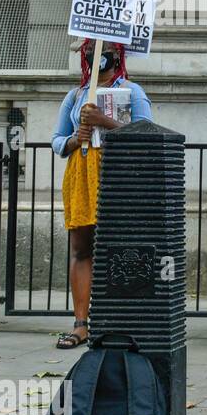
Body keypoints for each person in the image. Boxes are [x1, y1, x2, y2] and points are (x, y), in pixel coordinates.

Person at [51, 40, 152, 348]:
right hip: (81, 172)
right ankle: (81, 324)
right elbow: (56, 141)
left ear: (116, 55)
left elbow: (148, 133)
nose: (97, 56)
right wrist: (73, 138)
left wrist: (104, 122)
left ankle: (121, 322)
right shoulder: (75, 95)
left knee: (120, 249)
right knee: (82, 248)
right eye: (91, 51)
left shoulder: (133, 92)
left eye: (104, 50)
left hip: (117, 174)